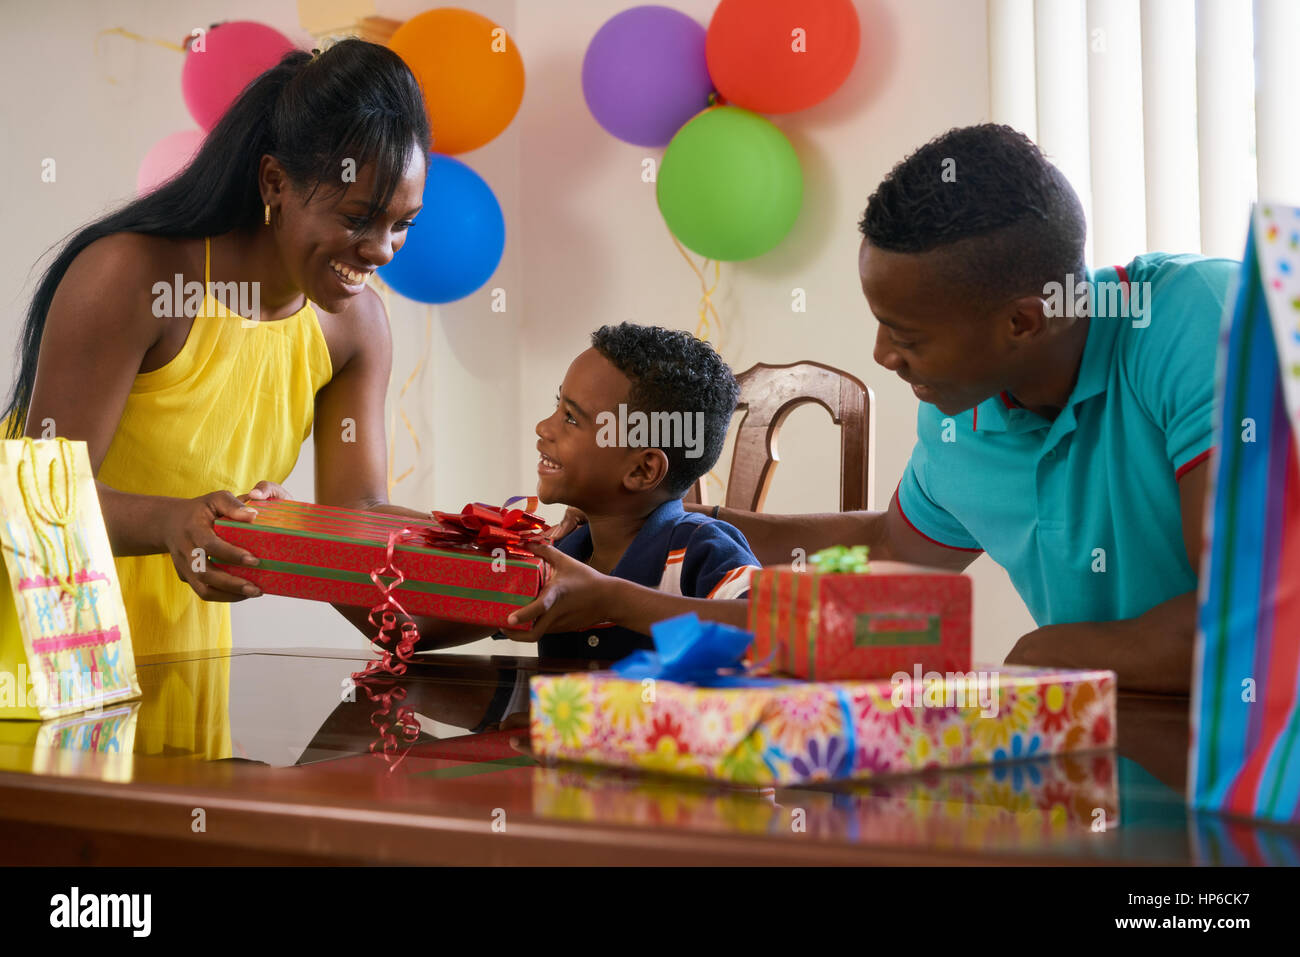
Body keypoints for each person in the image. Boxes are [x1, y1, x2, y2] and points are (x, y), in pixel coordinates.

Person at [705, 124, 1235, 694]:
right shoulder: (962, 410)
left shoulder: (1204, 322)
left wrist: (1047, 651)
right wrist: (689, 526)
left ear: (1023, 323)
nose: (882, 356)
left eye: (908, 337)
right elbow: (893, 549)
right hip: (1129, 744)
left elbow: (1243, 619)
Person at [1, 39, 436, 663]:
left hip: (181, 656)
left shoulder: (356, 329)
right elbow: (34, 498)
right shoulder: (135, 278)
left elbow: (358, 520)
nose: (382, 249)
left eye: (402, 224)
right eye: (357, 217)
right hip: (39, 647)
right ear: (275, 183)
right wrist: (170, 523)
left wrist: (491, 562)